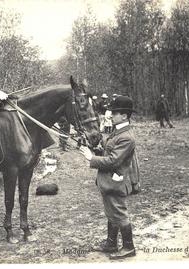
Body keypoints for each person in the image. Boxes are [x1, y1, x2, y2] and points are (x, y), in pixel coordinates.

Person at [80, 96, 140, 260]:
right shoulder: (117, 131)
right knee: (111, 211)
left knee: (119, 213)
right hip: (109, 180)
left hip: (116, 181)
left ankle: (129, 247)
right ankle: (111, 243)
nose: (110, 115)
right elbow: (110, 153)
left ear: (125, 116)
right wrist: (97, 150)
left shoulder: (126, 136)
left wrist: (91, 159)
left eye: (114, 112)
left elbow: (114, 160)